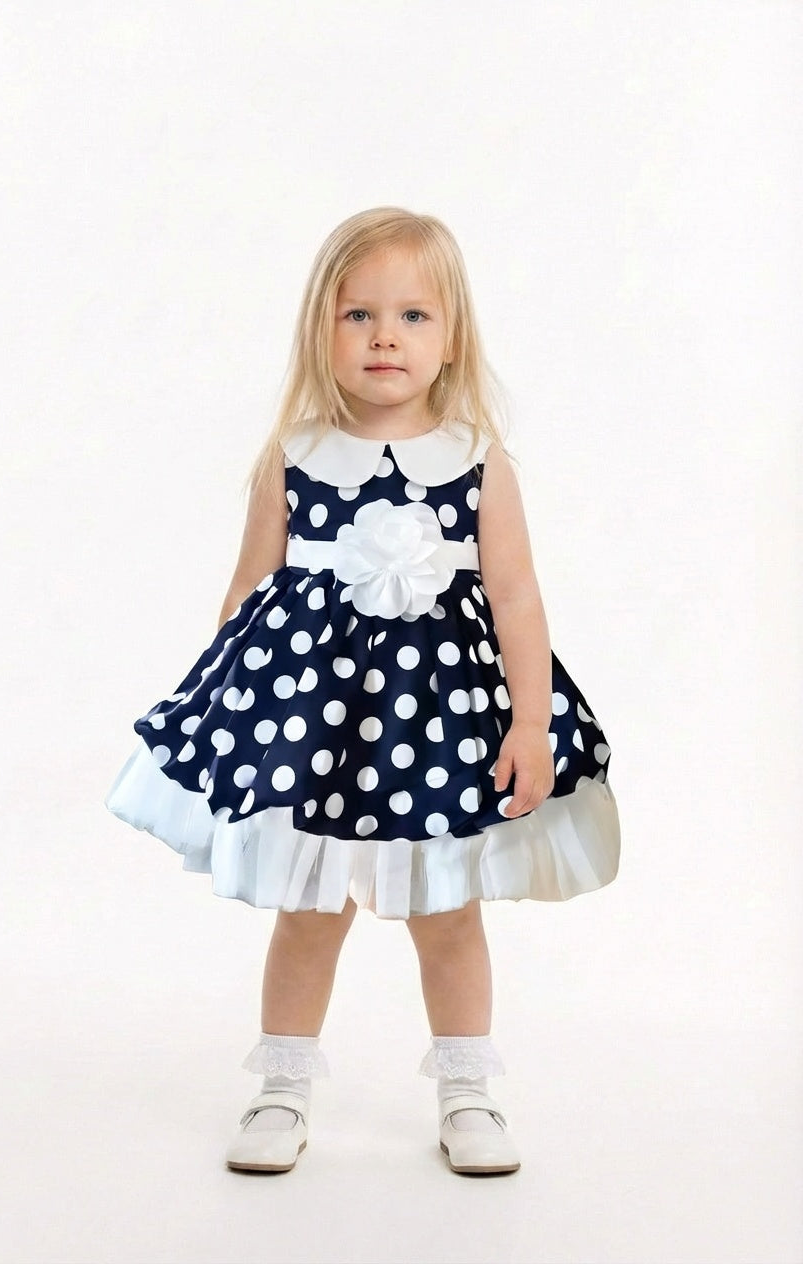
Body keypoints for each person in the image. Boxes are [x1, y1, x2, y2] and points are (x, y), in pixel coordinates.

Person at [105, 206, 621, 1177]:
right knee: (308, 911)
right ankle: (281, 1088)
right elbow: (249, 592)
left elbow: (514, 596)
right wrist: (227, 713)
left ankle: (466, 1091)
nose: (386, 335)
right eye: (359, 315)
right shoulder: (293, 460)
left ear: (450, 336)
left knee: (448, 913)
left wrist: (530, 723)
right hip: (315, 729)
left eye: (413, 316)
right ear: (322, 331)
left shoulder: (476, 462)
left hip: (437, 729)